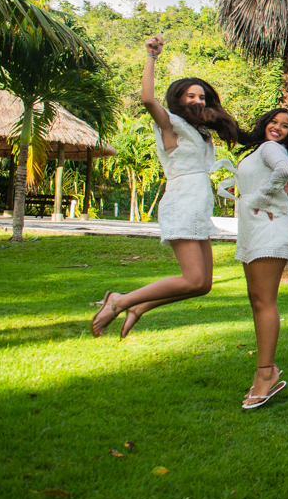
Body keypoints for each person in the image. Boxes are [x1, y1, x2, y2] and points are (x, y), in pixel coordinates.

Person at [90, 34, 244, 338]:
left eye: (201, 97)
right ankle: (120, 301)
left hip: (198, 206)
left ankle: (139, 306)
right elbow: (148, 99)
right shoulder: (170, 124)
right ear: (178, 99)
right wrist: (152, 56)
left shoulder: (201, 133)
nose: (197, 101)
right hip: (182, 202)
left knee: (202, 285)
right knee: (191, 279)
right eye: (191, 96)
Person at [214, 108, 288, 410]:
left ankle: (266, 373)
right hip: (255, 228)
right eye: (274, 122)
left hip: (270, 226)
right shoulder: (258, 149)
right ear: (263, 124)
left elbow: (285, 171)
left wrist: (260, 197)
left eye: (285, 126)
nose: (278, 128)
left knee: (264, 301)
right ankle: (266, 370)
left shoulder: (271, 148)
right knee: (258, 300)